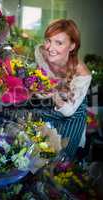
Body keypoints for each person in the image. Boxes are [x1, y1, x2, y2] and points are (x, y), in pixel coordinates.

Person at [34, 19, 92, 160]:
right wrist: (37, 88)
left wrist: (52, 93)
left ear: (72, 46)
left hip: (71, 115)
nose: (50, 47)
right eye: (48, 40)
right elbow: (37, 84)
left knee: (60, 159)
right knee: (38, 151)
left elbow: (68, 111)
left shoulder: (82, 74)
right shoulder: (41, 52)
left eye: (59, 43)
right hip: (47, 106)